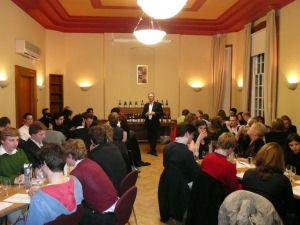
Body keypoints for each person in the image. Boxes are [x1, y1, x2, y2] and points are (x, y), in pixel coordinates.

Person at [16, 143, 83, 225]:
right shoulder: (76, 181)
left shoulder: (39, 198)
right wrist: (41, 191)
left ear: (45, 164)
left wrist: (25, 218)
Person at [64, 139, 118, 225]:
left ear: (70, 156)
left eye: (65, 157)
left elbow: (70, 198)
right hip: (114, 205)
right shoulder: (90, 162)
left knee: (70, 214)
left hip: (104, 215)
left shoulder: (76, 173)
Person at [242, 142, 296, 224]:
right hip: (273, 219)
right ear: (280, 160)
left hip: (250, 216)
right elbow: (290, 207)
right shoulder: (282, 180)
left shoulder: (248, 174)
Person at [0, 128, 29, 224]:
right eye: (11, 140)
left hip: (19, 190)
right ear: (2, 141)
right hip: (3, 192)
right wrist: (14, 179)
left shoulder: (20, 152)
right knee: (14, 211)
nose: (15, 143)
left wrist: (25, 175)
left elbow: (27, 167)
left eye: (17, 140)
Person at [88, 125, 127, 193]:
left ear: (92, 141)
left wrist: (92, 152)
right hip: (122, 185)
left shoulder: (93, 155)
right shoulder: (114, 147)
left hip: (110, 190)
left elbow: (92, 177)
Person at [142, 92, 163, 156]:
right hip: (148, 123)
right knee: (149, 137)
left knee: (154, 137)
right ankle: (151, 150)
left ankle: (153, 150)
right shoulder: (146, 105)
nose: (150, 97)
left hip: (155, 123)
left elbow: (161, 113)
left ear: (154, 97)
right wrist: (146, 114)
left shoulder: (158, 104)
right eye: (149, 96)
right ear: (148, 98)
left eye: (151, 96)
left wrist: (155, 113)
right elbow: (142, 115)